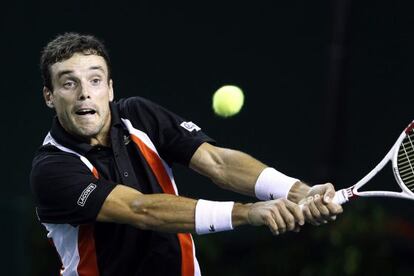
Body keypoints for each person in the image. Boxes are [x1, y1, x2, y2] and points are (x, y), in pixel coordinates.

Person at [30, 32, 343, 276]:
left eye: (95, 80)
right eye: (69, 83)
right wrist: (249, 213)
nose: (85, 92)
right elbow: (141, 210)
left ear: (110, 89)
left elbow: (217, 163)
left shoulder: (139, 116)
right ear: (49, 96)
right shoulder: (52, 169)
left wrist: (298, 191)